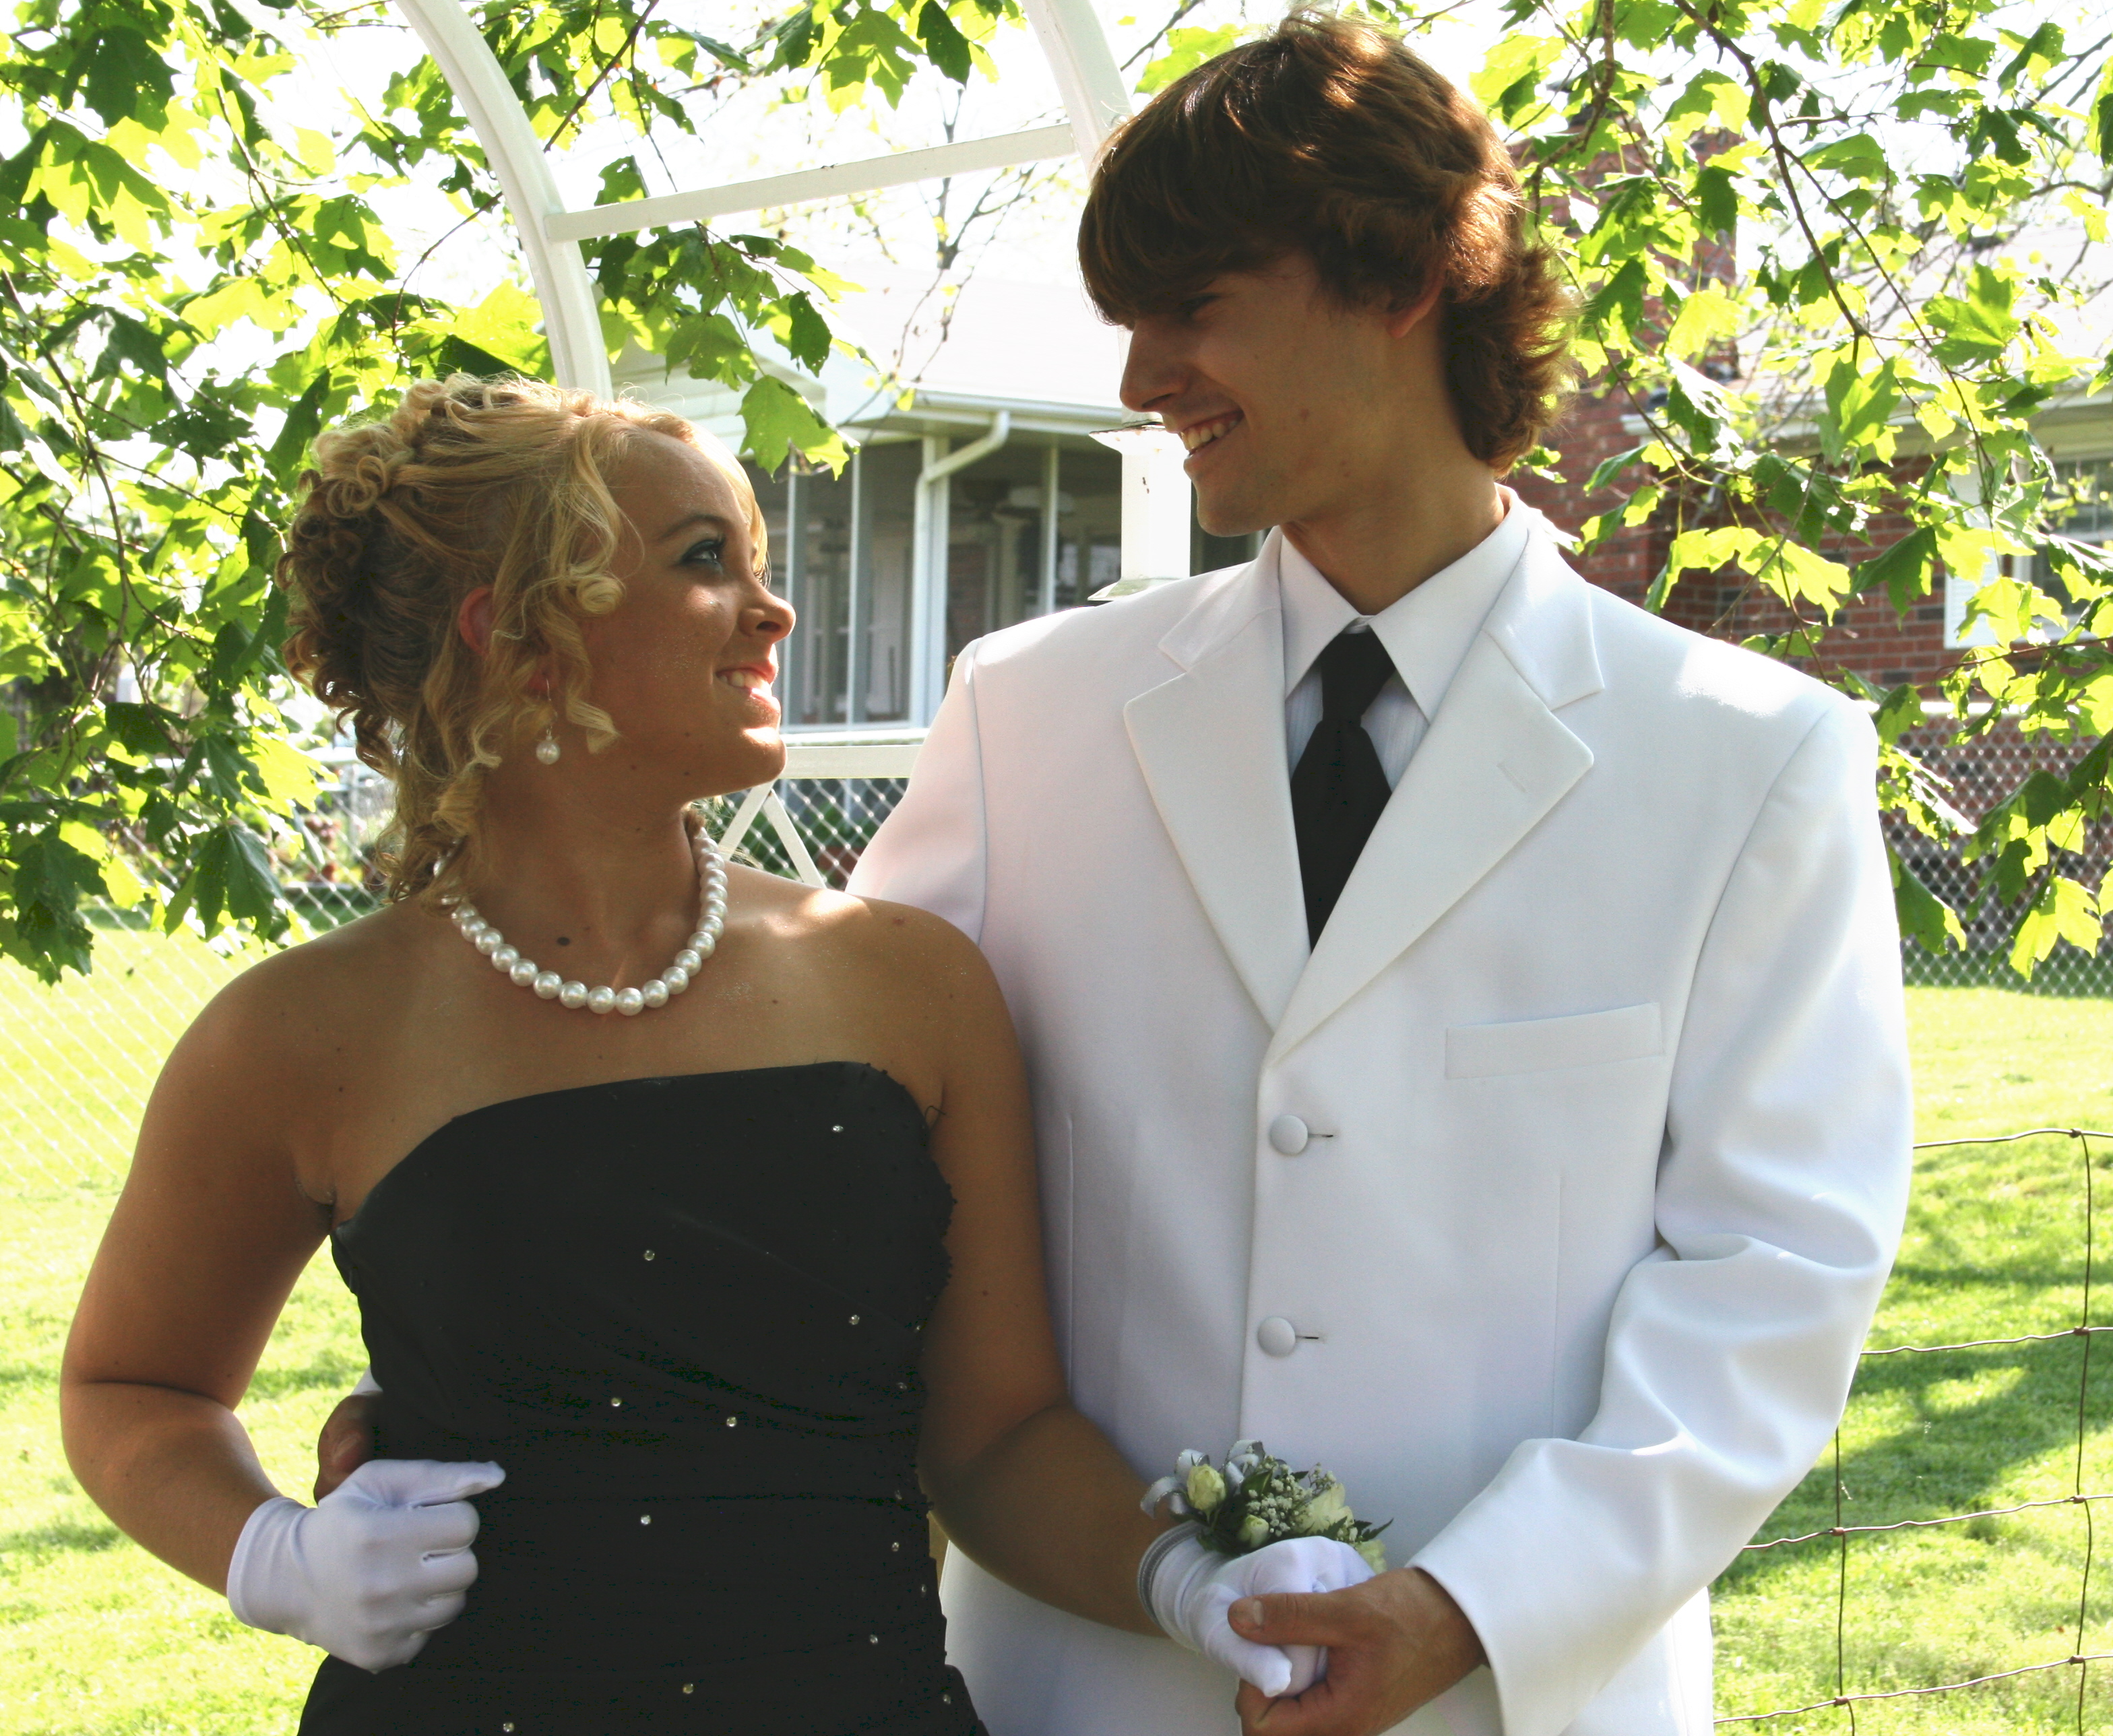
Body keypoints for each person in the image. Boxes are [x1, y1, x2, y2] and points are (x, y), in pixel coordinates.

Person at [838, 15, 1913, 1736]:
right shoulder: (1018, 718)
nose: (1139, 381)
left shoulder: (1748, 759)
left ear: (1402, 277)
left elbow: (1773, 1277)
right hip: (1083, 1690)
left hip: (1505, 1702)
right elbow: (835, 1148)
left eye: (1191, 306)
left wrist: (1472, 1606)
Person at [59, 377, 1372, 1736]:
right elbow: (127, 1387)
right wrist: (275, 1554)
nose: (773, 610)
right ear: (520, 639)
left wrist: (1184, 1577)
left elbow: (996, 1438)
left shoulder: (906, 982)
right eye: (704, 560)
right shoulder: (296, 1034)